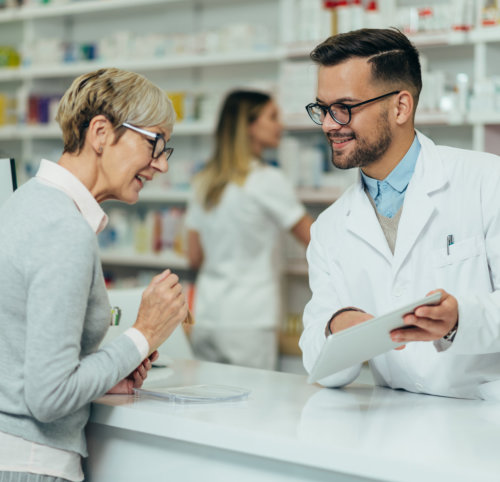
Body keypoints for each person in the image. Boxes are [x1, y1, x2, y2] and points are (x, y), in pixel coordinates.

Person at [0, 68, 189, 482]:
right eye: (154, 143)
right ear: (101, 132)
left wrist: (104, 375)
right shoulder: (64, 229)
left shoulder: (26, 203)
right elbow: (48, 397)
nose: (159, 165)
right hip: (30, 464)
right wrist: (145, 334)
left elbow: (22, 361)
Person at [299, 28, 500, 400]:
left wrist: (459, 319)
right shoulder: (329, 227)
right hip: (396, 422)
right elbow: (320, 366)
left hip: (487, 422)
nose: (328, 124)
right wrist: (336, 328)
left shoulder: (488, 181)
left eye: (344, 108)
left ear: (400, 107)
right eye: (323, 109)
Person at [185, 90, 313, 370]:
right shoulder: (267, 180)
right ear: (249, 126)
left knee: (207, 408)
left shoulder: (203, 181)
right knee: (251, 409)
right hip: (249, 321)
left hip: (207, 316)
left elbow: (194, 256)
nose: (280, 125)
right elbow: (314, 240)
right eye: (272, 117)